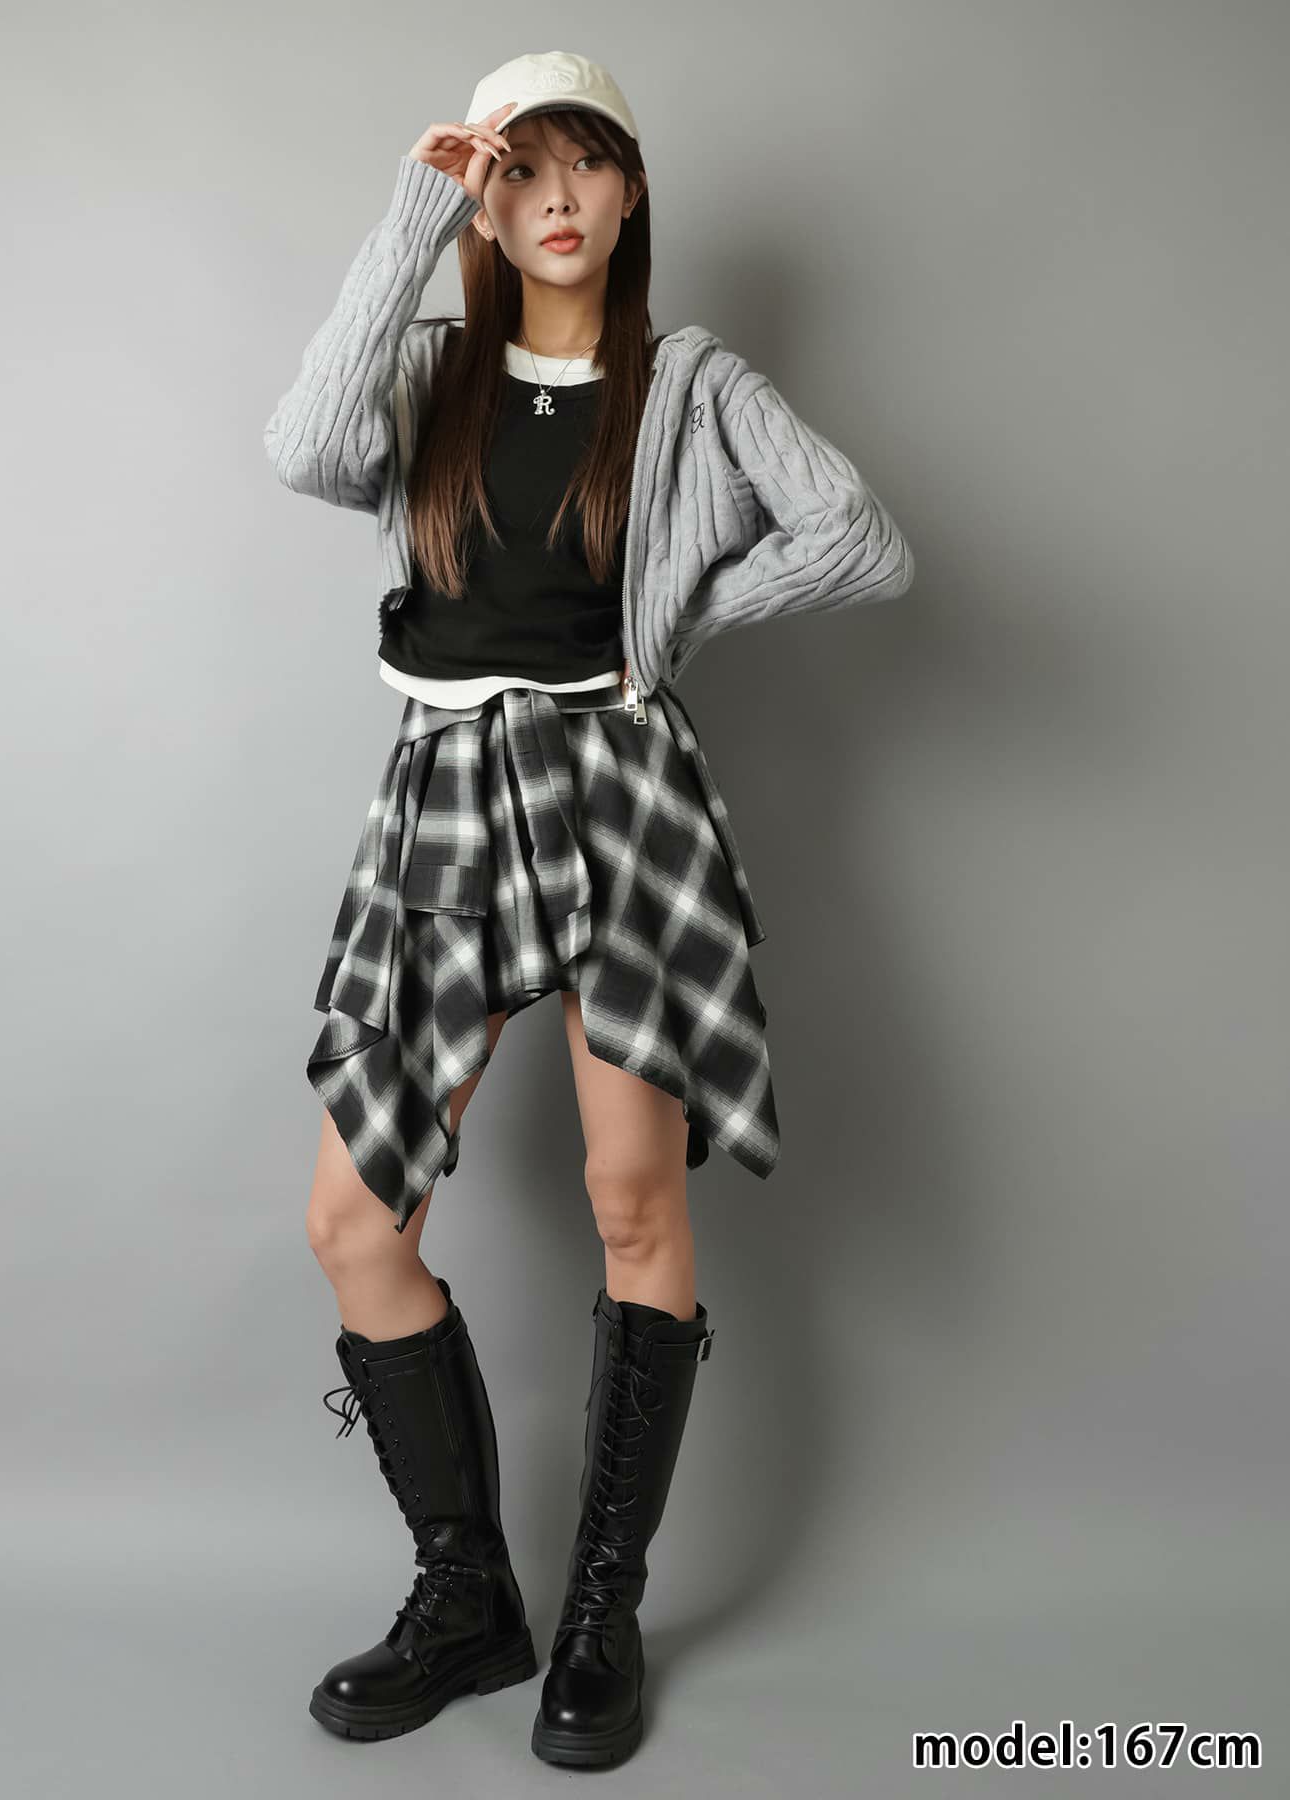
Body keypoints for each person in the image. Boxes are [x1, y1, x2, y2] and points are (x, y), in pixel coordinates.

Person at [263, 50, 914, 1767]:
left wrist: (672, 610)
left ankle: (600, 1614)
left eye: (587, 163)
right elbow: (304, 447)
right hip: (447, 796)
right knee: (354, 1218)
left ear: (629, 192)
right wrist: (412, 215)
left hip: (623, 795)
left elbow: (857, 536)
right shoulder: (430, 373)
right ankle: (467, 1598)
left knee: (633, 1196)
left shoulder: (687, 384)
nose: (554, 197)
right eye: (517, 170)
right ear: (484, 202)